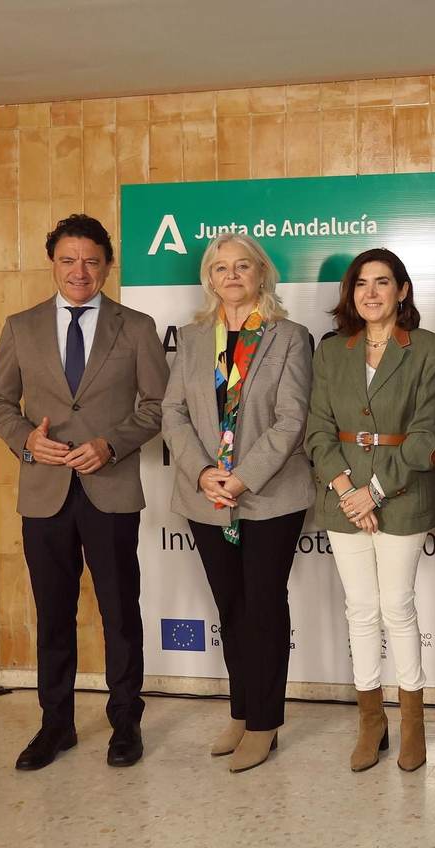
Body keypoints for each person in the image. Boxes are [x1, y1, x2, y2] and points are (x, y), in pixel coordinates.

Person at [0, 213, 170, 771]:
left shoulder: (135, 326)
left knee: (119, 612)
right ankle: (56, 726)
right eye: (69, 260)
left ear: (107, 265)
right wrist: (26, 443)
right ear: (53, 263)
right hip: (44, 493)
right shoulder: (21, 326)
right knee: (54, 613)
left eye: (91, 260)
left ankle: (125, 724)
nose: (80, 271)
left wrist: (112, 445)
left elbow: (158, 407)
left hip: (109, 488)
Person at [161, 233, 314, 773]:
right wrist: (204, 472)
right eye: (220, 267)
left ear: (261, 274)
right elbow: (172, 412)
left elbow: (293, 419)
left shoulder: (289, 337)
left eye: (242, 265)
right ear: (209, 278)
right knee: (231, 606)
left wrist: (242, 478)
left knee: (264, 606)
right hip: (206, 497)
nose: (231, 275)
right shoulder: (194, 337)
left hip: (269, 496)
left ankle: (266, 722)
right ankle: (241, 710)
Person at [306, 248, 435, 774]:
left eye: (382, 282)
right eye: (361, 283)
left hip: (401, 498)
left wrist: (375, 491)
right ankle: (371, 722)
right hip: (343, 498)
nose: (370, 292)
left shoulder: (429, 349)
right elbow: (318, 431)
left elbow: (428, 434)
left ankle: (413, 722)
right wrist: (348, 490)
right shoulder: (331, 352)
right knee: (360, 610)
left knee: (398, 609)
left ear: (402, 291)